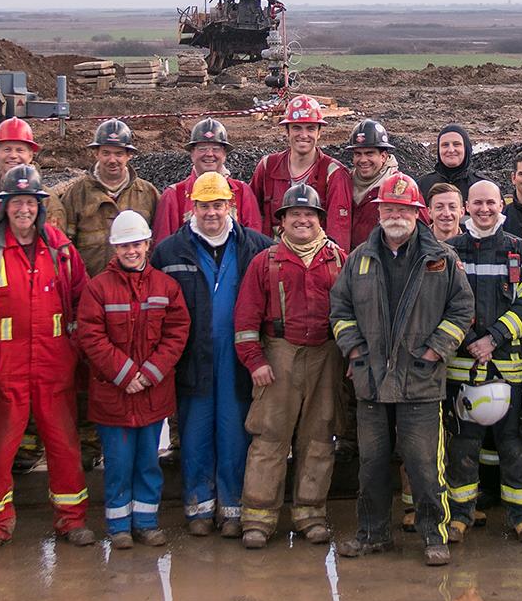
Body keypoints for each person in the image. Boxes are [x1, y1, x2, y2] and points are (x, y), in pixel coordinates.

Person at [330, 173, 473, 565]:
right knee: (372, 466)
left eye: (403, 209)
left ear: (417, 213)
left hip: (420, 381)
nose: (395, 215)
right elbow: (340, 309)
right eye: (389, 209)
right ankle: (372, 535)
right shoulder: (359, 259)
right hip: (372, 382)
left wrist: (435, 351)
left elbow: (462, 310)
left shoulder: (441, 259)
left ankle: (433, 537)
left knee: (425, 467)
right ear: (379, 213)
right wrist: (355, 350)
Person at [0, 166, 93, 551]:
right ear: (4, 207)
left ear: (40, 206)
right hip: (5, 367)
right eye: (16, 202)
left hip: (54, 364)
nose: (24, 210)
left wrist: (72, 350)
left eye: (30, 202)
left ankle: (72, 519)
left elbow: (81, 300)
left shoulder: (60, 250)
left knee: (64, 444)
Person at [153, 171, 273, 535]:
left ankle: (233, 510)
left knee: (235, 433)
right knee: (195, 434)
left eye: (218, 205)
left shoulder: (257, 247)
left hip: (238, 359)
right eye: (204, 205)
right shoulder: (169, 252)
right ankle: (199, 510)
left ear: (230, 206)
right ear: (192, 207)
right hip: (193, 357)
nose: (211, 213)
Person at [234, 183, 347, 547]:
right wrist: (255, 361)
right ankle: (258, 517)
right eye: (294, 214)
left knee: (319, 439)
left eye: (309, 214)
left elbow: (354, 313)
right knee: (269, 437)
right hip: (278, 355)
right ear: (281, 221)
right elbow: (245, 320)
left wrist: (353, 357)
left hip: (326, 355)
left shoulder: (339, 260)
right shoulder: (264, 262)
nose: (302, 220)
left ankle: (310, 514)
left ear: (320, 220)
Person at [78, 210, 188, 546]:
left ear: (148, 245)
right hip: (114, 396)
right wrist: (125, 374)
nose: (132, 251)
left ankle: (146, 522)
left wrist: (151, 373)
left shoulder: (166, 287)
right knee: (119, 464)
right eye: (125, 245)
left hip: (152, 394)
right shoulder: (98, 289)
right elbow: (91, 337)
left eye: (137, 244)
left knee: (148, 463)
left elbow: (177, 333)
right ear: (115, 248)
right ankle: (118, 527)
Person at [446, 179, 522, 541]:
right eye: (477, 203)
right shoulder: (450, 252)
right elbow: (444, 302)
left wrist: (494, 338)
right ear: (466, 208)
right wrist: (472, 340)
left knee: (514, 447)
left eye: (491, 203)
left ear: (501, 206)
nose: (484, 209)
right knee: (463, 447)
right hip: (463, 369)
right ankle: (460, 515)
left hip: (508, 369)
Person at [55, 119, 163, 277]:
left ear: (129, 155)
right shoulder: (76, 194)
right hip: (91, 285)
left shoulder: (147, 193)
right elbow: (65, 246)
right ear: (96, 153)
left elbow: (159, 241)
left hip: (138, 286)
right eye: (106, 153)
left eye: (119, 154)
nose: (112, 160)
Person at [251, 97, 354, 248]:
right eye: (297, 128)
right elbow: (251, 215)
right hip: (272, 254)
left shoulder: (333, 173)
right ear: (287, 131)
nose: (304, 135)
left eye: (310, 128)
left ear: (319, 133)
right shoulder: (268, 166)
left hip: (316, 256)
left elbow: (338, 230)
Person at [152, 119, 267, 242]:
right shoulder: (173, 195)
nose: (209, 154)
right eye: (202, 148)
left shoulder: (242, 192)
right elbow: (162, 246)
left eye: (216, 149)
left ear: (224, 154)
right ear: (192, 153)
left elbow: (254, 243)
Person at [344, 119, 405, 249]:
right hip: (350, 259)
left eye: (369, 153)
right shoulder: (344, 183)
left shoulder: (401, 187)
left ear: (383, 156)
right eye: (358, 154)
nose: (363, 160)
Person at [418, 124, 476, 202]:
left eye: (456, 144)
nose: (451, 150)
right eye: (445, 145)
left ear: (466, 148)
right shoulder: (422, 185)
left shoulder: (481, 185)